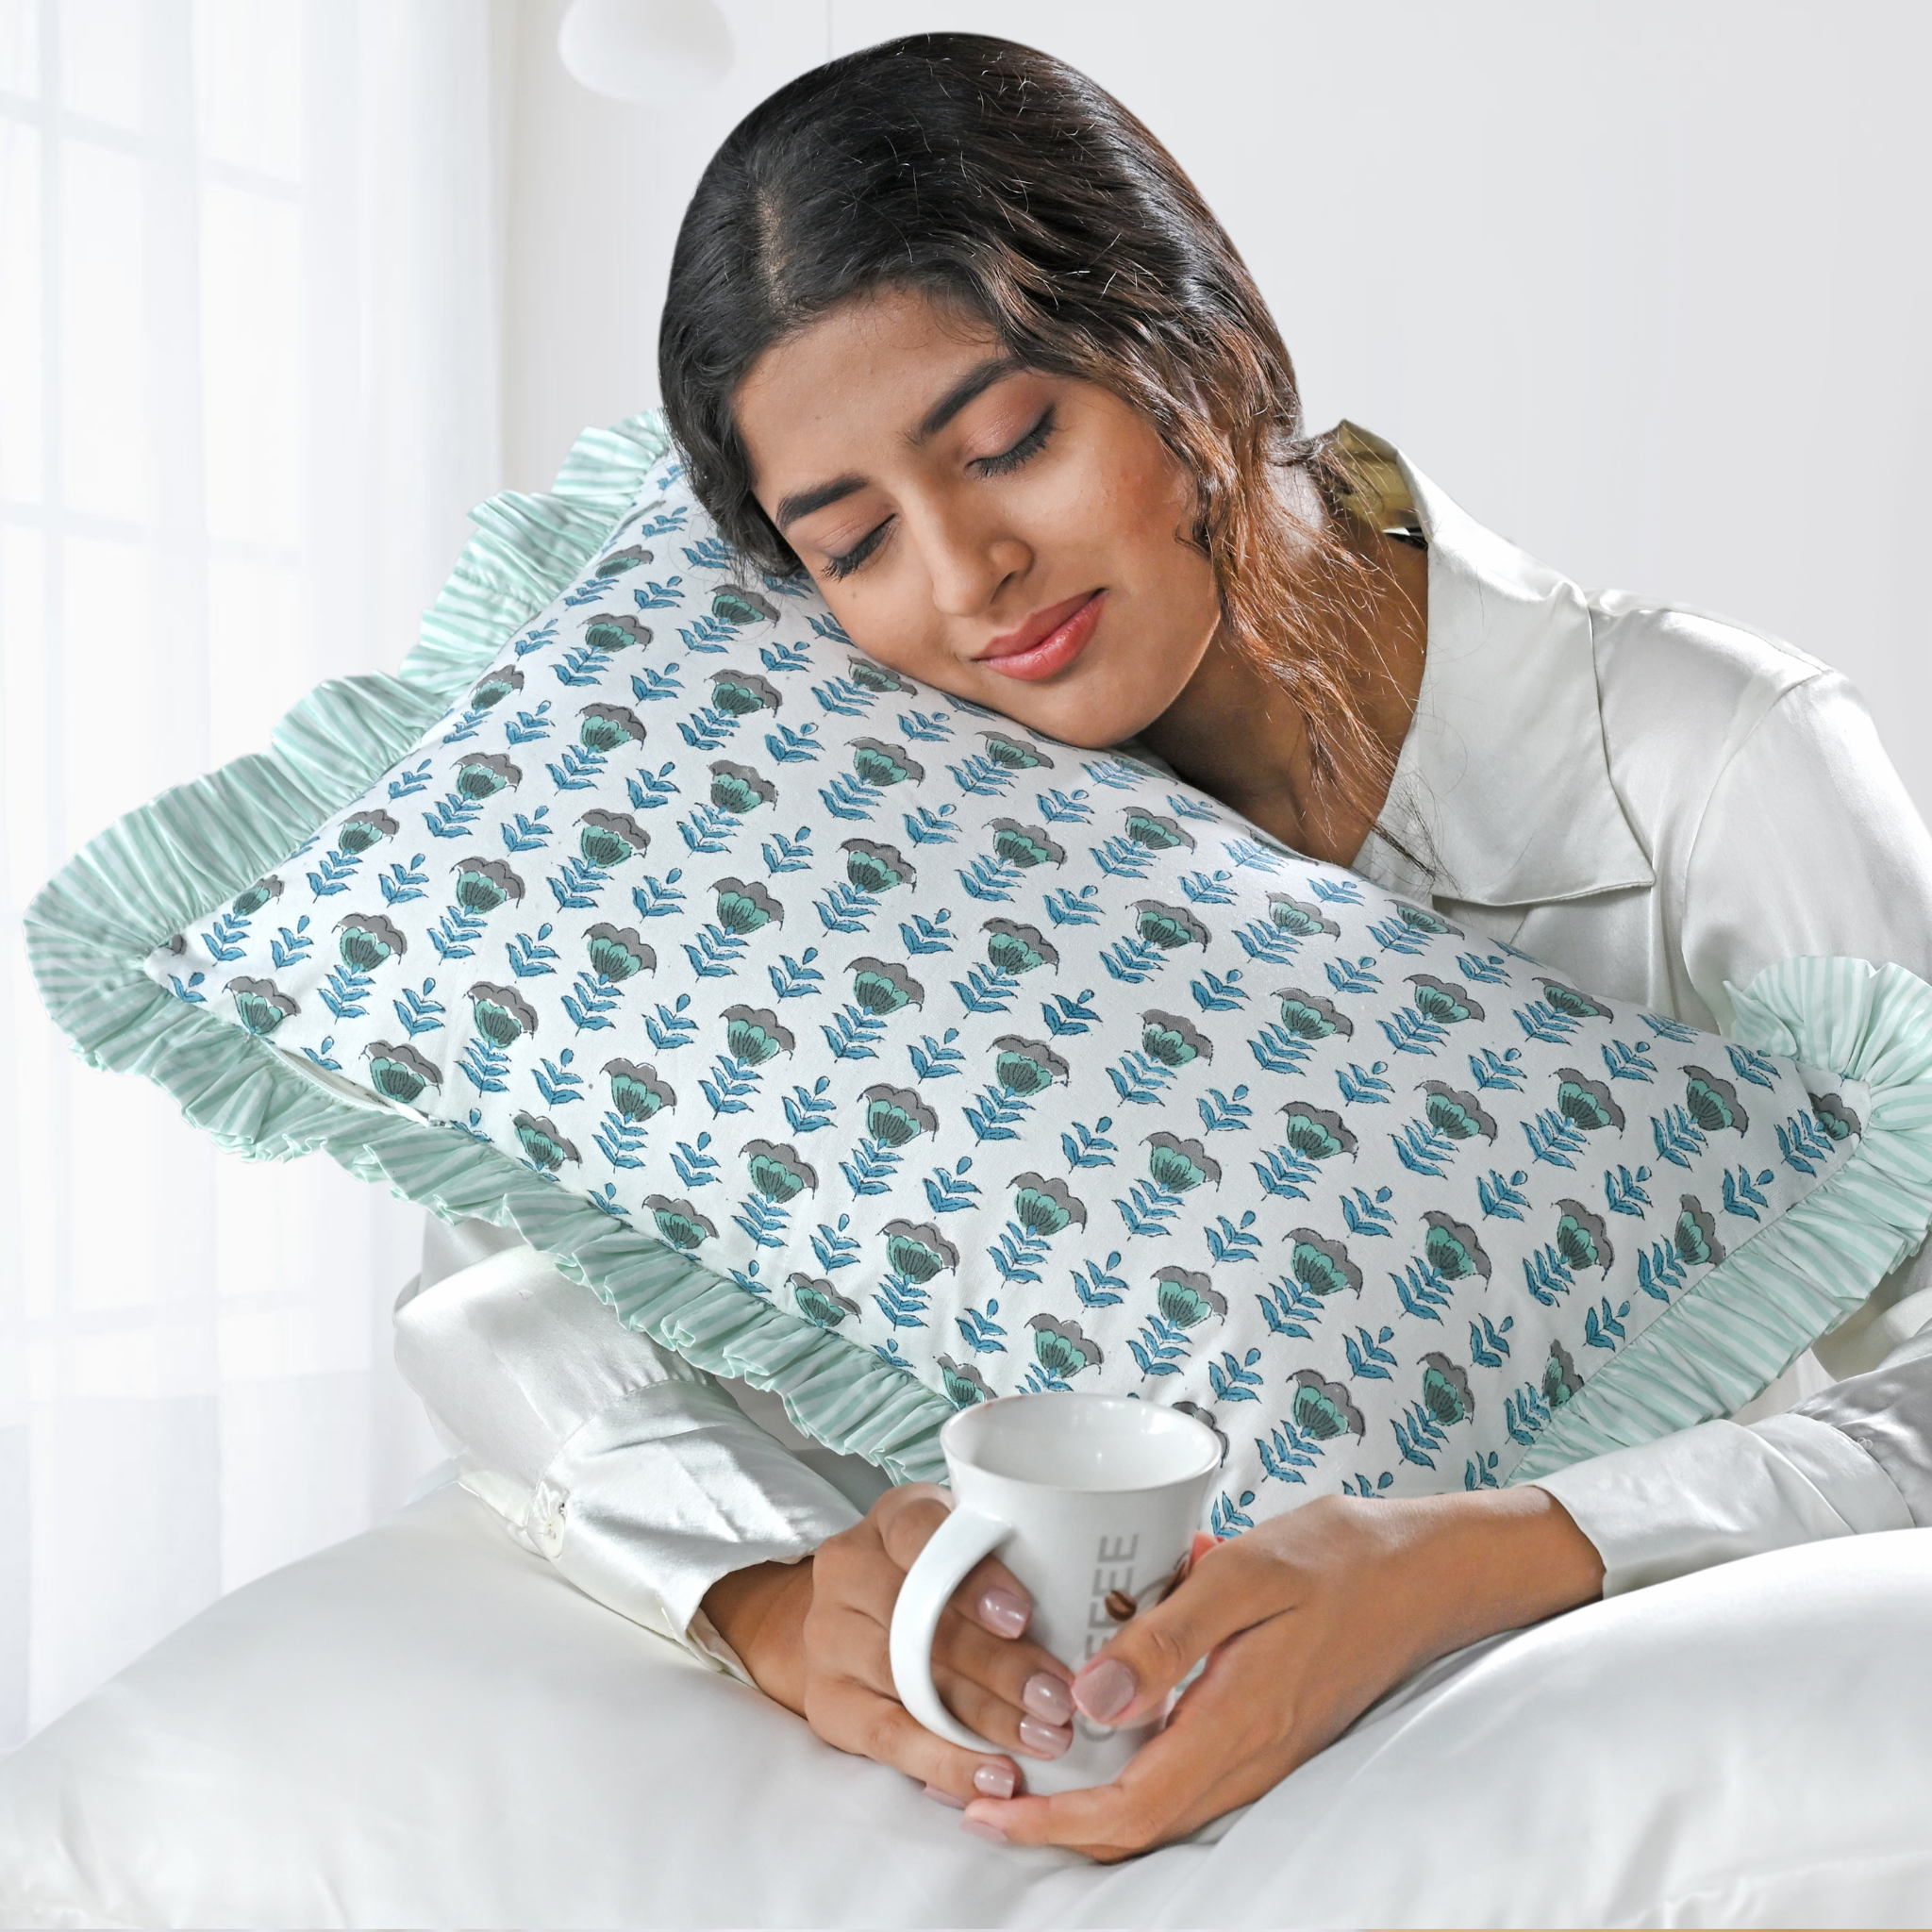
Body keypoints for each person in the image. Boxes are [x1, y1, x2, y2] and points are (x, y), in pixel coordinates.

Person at [395, 31, 1932, 1862]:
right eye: (854, 542)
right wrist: (771, 1591)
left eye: (1009, 445)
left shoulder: (1711, 762)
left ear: (1201, 351)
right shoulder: (878, 786)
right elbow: (502, 1260)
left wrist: (1475, 1557)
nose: (965, 576)